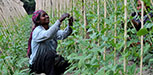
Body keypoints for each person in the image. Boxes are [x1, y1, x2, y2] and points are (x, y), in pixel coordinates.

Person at [27, 10, 74, 75]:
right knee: (50, 54)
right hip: (37, 64)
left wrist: (70, 24)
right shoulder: (37, 31)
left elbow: (63, 34)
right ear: (38, 21)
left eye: (47, 14)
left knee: (64, 64)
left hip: (48, 60)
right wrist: (59, 20)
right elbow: (48, 34)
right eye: (43, 16)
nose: (47, 16)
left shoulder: (50, 28)